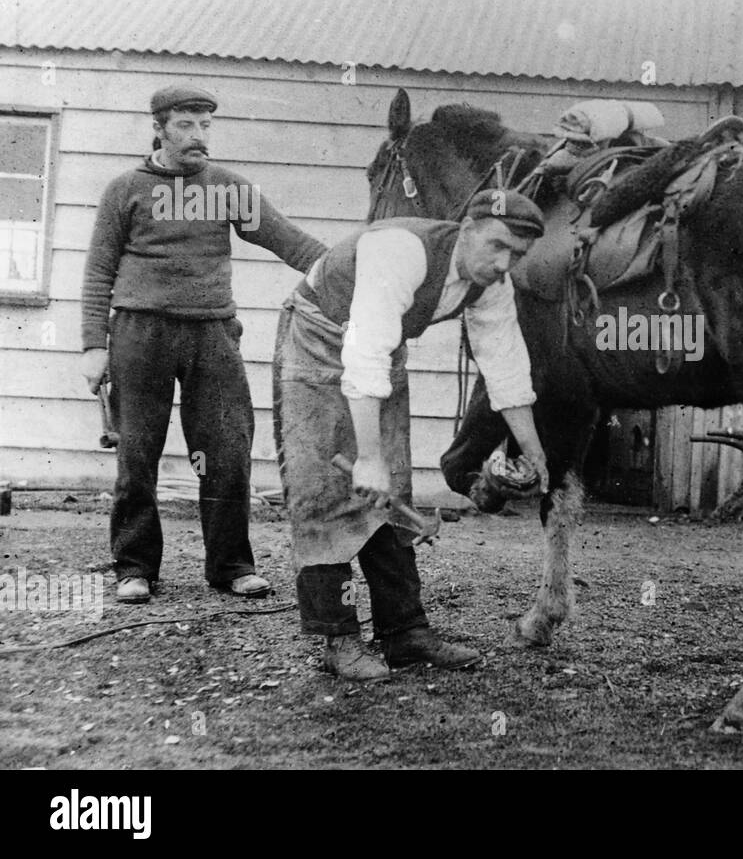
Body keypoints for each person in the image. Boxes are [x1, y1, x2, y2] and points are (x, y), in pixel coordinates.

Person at [274, 190, 549, 681]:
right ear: (467, 228)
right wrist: (367, 458)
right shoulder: (401, 251)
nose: (503, 264)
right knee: (326, 495)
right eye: (497, 246)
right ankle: (338, 640)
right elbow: (364, 354)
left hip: (379, 349)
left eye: (517, 255)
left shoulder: (490, 284)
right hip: (318, 340)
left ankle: (405, 633)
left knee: (391, 494)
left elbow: (506, 368)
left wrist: (534, 452)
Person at [80, 84, 327, 605]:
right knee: (138, 454)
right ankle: (135, 567)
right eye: (187, 125)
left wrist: (351, 270)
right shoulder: (124, 188)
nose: (199, 136)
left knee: (225, 450)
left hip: (212, 333)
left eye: (206, 125)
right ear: (159, 128)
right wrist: (91, 346)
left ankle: (232, 565)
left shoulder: (226, 187)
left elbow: (290, 240)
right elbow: (99, 270)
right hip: (138, 334)